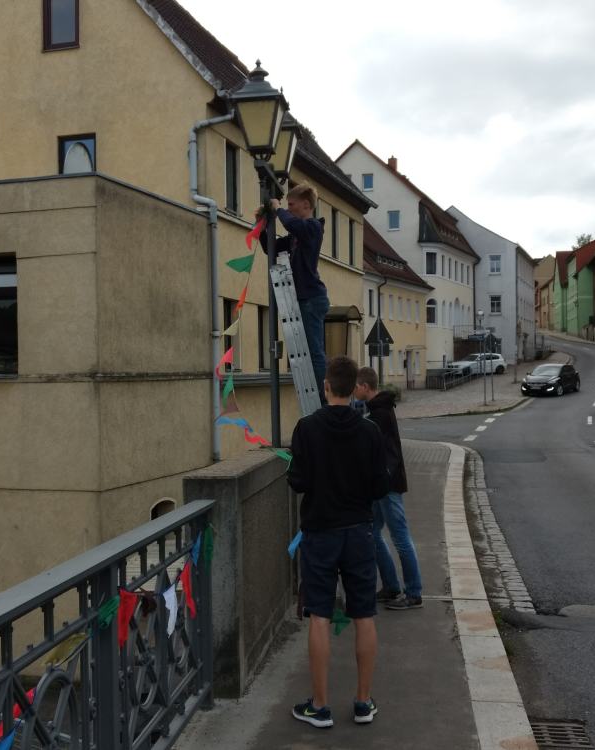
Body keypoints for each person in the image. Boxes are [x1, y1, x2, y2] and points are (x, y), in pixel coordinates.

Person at [287, 356, 390, 728]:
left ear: (327, 387)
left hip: (320, 533)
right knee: (364, 614)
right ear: (353, 389)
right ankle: (363, 703)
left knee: (320, 615)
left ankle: (320, 706)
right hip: (360, 532)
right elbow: (380, 487)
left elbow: (298, 481)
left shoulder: (306, 428)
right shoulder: (370, 431)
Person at [354, 367, 423, 610]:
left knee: (400, 537)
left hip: (388, 486)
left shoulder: (380, 414)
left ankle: (413, 593)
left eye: (356, 387)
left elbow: (388, 454)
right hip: (379, 486)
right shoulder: (378, 410)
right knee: (373, 533)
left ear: (365, 387)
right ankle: (391, 587)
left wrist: (381, 480)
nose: (353, 391)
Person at [258, 184, 329, 400]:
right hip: (304, 298)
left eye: (291, 205)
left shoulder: (313, 227)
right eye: (287, 206)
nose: (288, 209)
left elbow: (291, 223)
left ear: (306, 205)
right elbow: (270, 247)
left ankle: (322, 397)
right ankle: (316, 392)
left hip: (312, 298)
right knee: (308, 350)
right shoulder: (296, 236)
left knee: (314, 350)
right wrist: (261, 225)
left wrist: (278, 209)